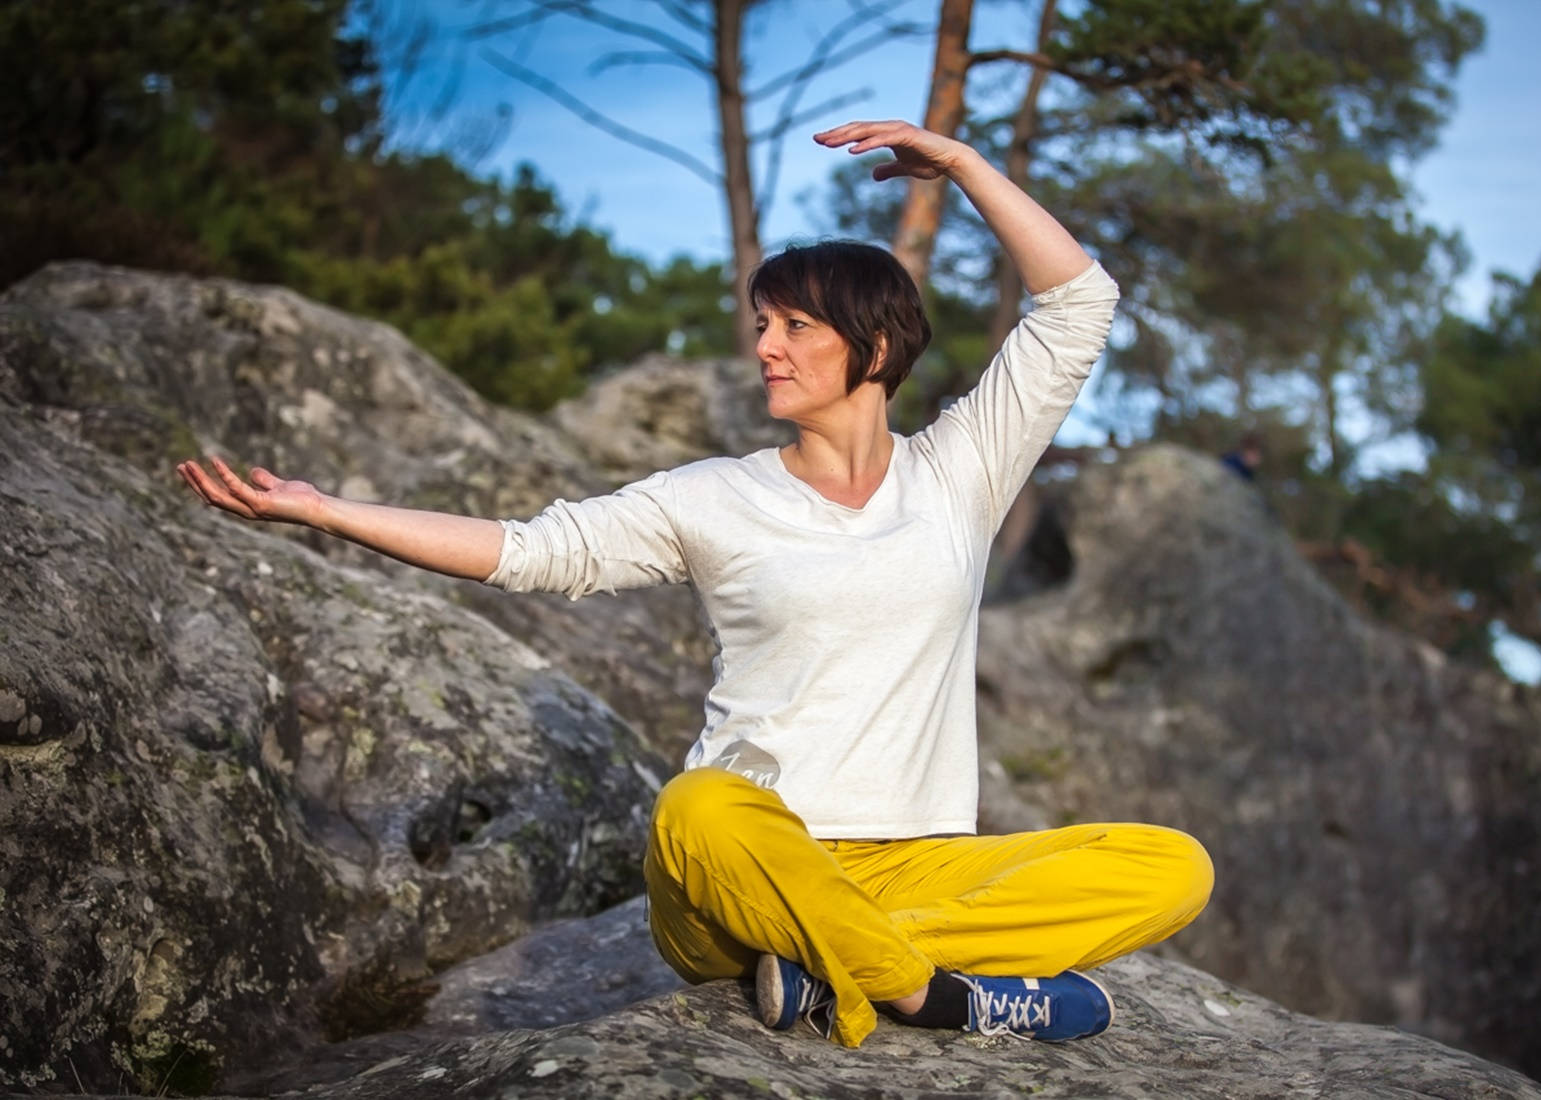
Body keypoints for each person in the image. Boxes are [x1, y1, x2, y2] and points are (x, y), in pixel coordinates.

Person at [177, 119, 1214, 1049]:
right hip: (741, 864)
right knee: (696, 806)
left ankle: (829, 961)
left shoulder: (960, 472)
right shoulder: (713, 495)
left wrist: (961, 162)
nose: (764, 346)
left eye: (795, 327)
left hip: (912, 859)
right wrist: (329, 511)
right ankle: (940, 996)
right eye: (763, 324)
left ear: (878, 345)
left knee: (1171, 866)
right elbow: (531, 549)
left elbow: (1077, 302)